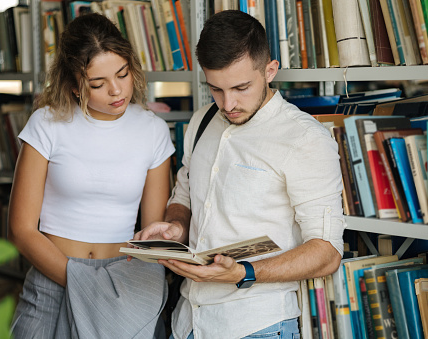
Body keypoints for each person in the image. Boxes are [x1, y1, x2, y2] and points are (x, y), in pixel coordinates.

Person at [134, 10, 346, 339]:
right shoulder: (201, 120)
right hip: (186, 321)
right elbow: (184, 195)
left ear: (270, 70)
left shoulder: (304, 139)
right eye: (216, 89)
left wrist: (243, 272)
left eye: (241, 87)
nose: (228, 103)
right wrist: (175, 226)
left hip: (256, 325)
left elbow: (327, 252)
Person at [8, 13, 175, 339]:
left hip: (123, 286)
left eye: (123, 74)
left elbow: (153, 236)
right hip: (51, 280)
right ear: (74, 86)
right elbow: (21, 229)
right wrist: (82, 283)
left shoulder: (153, 130)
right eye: (98, 84)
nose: (116, 91)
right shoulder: (47, 124)